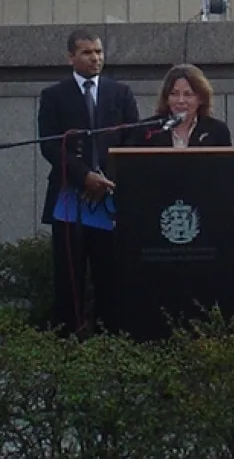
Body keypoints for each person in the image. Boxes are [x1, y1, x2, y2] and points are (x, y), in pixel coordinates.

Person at [38, 28, 139, 335]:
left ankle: (111, 338)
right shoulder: (54, 96)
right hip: (71, 198)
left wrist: (107, 177)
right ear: (71, 57)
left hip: (109, 198)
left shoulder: (120, 93)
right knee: (69, 276)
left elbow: (133, 138)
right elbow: (50, 146)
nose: (95, 58)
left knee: (110, 274)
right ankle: (67, 339)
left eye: (99, 52)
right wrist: (85, 177)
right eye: (87, 52)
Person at [141, 64, 232, 148]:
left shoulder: (217, 131)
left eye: (188, 94)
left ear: (200, 98)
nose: (180, 101)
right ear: (166, 98)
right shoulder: (148, 131)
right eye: (174, 94)